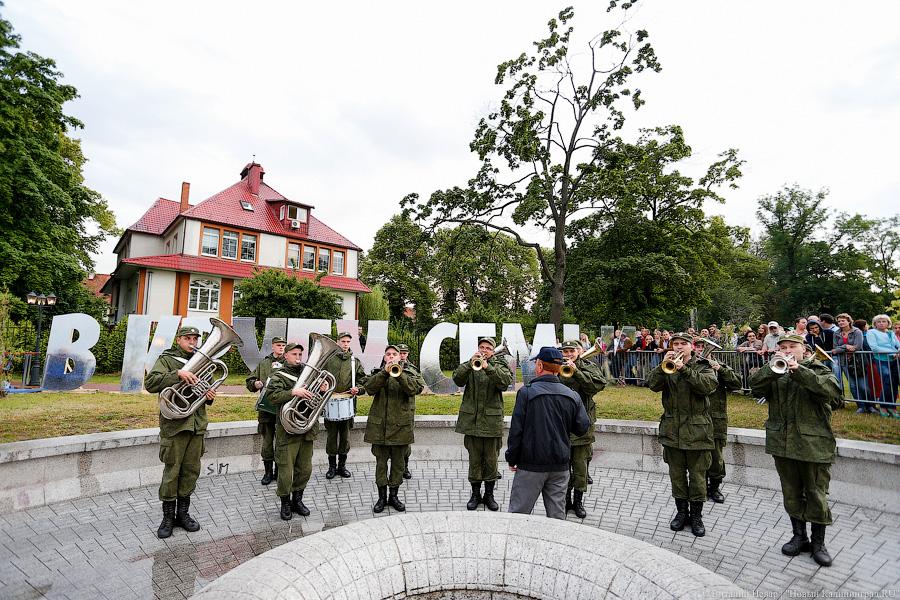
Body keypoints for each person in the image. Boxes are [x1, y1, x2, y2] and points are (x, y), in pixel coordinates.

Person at [750, 334, 843, 567]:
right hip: (782, 442)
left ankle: (818, 543)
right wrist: (772, 369)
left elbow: (833, 395)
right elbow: (755, 388)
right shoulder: (774, 370)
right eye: (782, 347)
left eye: (793, 346)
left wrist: (799, 370)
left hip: (813, 444)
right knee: (791, 492)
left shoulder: (819, 369)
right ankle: (799, 536)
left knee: (816, 493)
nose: (788, 350)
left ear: (804, 349)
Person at [146, 325, 216, 539]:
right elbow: (150, 383)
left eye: (195, 339)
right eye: (188, 339)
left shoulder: (203, 361)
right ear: (179, 340)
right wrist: (177, 374)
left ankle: (183, 514)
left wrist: (209, 395)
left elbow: (206, 390)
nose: (192, 342)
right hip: (175, 425)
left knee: (190, 471)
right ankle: (168, 518)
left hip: (196, 425)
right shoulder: (167, 360)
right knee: (172, 471)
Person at [647, 332, 718, 537]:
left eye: (683, 344)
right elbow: (652, 385)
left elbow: (707, 387)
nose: (679, 347)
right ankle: (681, 513)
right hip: (672, 431)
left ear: (692, 347)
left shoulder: (703, 366)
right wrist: (663, 368)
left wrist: (684, 369)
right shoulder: (666, 366)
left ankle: (696, 517)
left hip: (698, 431)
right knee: (677, 477)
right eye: (675, 343)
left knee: (697, 478)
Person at [506, 346, 590, 520]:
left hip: (530, 465)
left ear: (539, 366)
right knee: (557, 519)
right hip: (560, 466)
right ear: (559, 368)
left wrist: (512, 458)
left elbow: (516, 431)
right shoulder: (572, 395)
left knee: (518, 517)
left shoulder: (526, 393)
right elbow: (582, 427)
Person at [453, 337, 515, 511]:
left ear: (493, 350)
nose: (484, 350)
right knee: (474, 461)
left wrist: (488, 367)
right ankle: (475, 494)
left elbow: (504, 383)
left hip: (491, 422)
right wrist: (469, 364)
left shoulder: (499, 364)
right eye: (482, 347)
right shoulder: (471, 363)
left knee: (491, 461)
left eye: (488, 348)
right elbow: (457, 379)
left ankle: (489, 495)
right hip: (471, 422)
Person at [364, 344, 426, 513]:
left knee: (398, 465)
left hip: (401, 427)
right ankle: (381, 497)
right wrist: (384, 372)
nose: (391, 356)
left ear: (400, 357)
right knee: (381, 464)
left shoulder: (411, 373)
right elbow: (369, 388)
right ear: (384, 357)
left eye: (394, 354)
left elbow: (414, 389)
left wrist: (399, 375)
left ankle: (394, 496)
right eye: (388, 354)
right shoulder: (377, 373)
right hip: (380, 428)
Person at [265, 343, 316, 521]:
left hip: (306, 428)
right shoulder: (278, 375)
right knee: (286, 471)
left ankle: (298, 500)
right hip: (287, 430)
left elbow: (316, 399)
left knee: (305, 469)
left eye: (300, 354)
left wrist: (322, 389)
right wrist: (293, 392)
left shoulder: (309, 374)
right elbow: (272, 397)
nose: (298, 357)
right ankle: (285, 503)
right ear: (285, 355)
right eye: (294, 354)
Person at [559, 340, 608, 518]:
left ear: (579, 351)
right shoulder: (557, 366)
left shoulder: (588, 366)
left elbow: (596, 386)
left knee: (580, 468)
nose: (569, 354)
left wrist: (577, 372)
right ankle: (565, 501)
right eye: (566, 351)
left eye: (572, 351)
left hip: (582, 424)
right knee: (562, 468)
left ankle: (578, 502)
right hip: (561, 425)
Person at [694, 338, 742, 504]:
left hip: (716, 418)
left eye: (704, 347)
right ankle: (699, 488)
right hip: (696, 418)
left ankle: (714, 487)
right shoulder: (689, 365)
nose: (701, 349)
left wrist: (720, 369)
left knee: (716, 457)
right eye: (698, 346)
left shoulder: (719, 365)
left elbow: (737, 384)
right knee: (698, 457)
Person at [322, 332, 368, 479]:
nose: (345, 344)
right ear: (337, 342)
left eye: (348, 341)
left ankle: (342, 466)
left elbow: (363, 380)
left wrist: (359, 389)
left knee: (345, 436)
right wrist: (322, 386)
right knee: (331, 436)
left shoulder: (355, 361)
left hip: (348, 402)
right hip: (330, 400)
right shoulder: (328, 359)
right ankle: (331, 467)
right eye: (343, 341)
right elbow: (318, 377)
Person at [245, 336, 286, 486]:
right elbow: (250, 381)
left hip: (283, 409)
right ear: (273, 346)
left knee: (282, 442)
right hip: (266, 409)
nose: (281, 347)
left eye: (283, 345)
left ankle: (279, 471)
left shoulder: (289, 364)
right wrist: (254, 383)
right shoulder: (264, 363)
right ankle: (268, 472)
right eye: (278, 345)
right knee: (268, 442)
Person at [832, 313, 869, 412]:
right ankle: (861, 406)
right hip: (844, 362)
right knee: (852, 385)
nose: (840, 323)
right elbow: (835, 348)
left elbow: (857, 346)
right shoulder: (836, 333)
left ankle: (870, 406)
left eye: (843, 320)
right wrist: (846, 346)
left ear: (849, 321)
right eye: (839, 321)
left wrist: (843, 347)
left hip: (858, 362)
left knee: (863, 386)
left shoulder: (857, 332)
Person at [866, 314, 900, 418]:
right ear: (875, 323)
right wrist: (893, 352)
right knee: (886, 381)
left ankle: (892, 406)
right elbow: (875, 348)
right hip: (881, 360)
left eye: (884, 321)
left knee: (894, 382)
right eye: (879, 321)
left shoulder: (891, 333)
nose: (881, 323)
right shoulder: (871, 332)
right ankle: (883, 406)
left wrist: (898, 351)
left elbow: (897, 345)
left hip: (894, 360)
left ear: (888, 323)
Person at [397, 343, 418, 479]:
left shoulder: (412, 369)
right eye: (401, 353)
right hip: (393, 409)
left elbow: (417, 387)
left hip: (407, 408)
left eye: (405, 353)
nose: (403, 355)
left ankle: (405, 467)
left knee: (406, 441)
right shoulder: (386, 367)